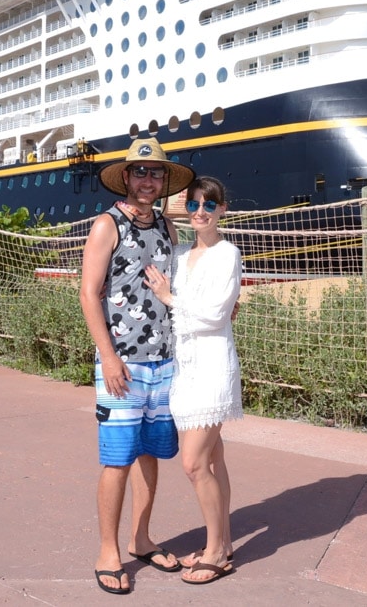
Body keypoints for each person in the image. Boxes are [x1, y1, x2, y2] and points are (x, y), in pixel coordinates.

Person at [79, 138, 195, 596]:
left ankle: (142, 537)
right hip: (122, 363)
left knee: (150, 454)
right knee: (117, 459)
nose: (149, 180)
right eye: (141, 172)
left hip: (164, 362)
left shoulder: (166, 225)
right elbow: (89, 293)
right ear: (126, 177)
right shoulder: (107, 225)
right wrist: (107, 355)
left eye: (157, 174)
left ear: (165, 181)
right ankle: (108, 550)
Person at [144, 175, 242, 585]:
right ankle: (224, 541)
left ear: (222, 210)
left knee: (193, 463)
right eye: (194, 204)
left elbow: (217, 315)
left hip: (213, 365)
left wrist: (171, 299)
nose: (200, 211)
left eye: (209, 204)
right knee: (214, 459)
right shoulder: (181, 254)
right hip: (184, 367)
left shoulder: (227, 253)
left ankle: (216, 552)